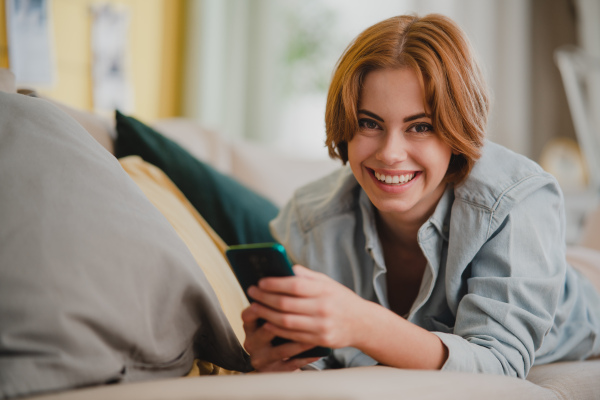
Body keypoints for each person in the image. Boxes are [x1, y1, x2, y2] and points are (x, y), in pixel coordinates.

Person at [241, 13, 600, 378]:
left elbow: (500, 365)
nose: (390, 153)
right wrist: (281, 359)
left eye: (421, 126)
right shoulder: (309, 218)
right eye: (369, 123)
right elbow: (321, 359)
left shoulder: (515, 201)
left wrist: (363, 323)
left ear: (457, 132)